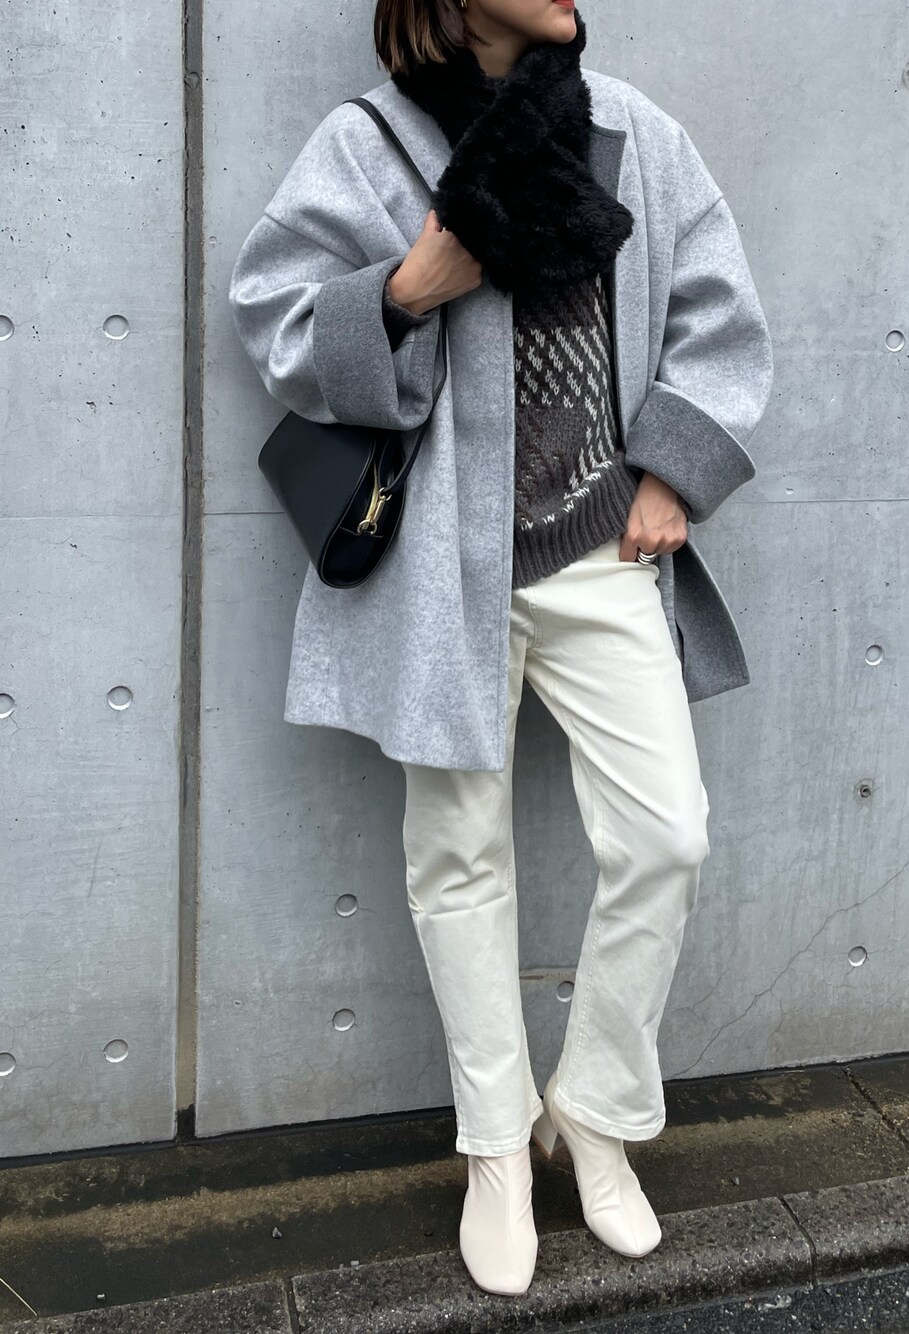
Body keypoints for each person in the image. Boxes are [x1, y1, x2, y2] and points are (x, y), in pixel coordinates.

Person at [229, 0, 773, 1300]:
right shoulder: (368, 144)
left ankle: (595, 1108)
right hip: (441, 567)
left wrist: (675, 472)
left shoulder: (628, 133)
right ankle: (495, 1144)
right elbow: (275, 319)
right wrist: (402, 291)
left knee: (668, 834)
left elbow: (718, 308)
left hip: (598, 545)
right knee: (458, 854)